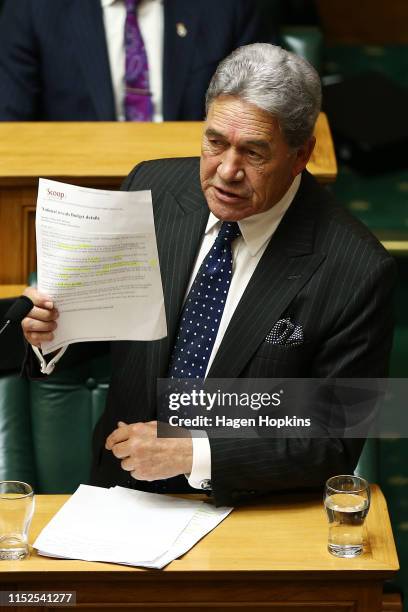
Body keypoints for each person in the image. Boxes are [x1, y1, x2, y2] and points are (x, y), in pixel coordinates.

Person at [22, 44, 396, 507]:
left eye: (254, 153)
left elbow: (331, 441)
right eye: (215, 142)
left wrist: (194, 452)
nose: (227, 171)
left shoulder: (356, 270)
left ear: (301, 156)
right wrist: (54, 334)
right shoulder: (153, 189)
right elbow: (104, 327)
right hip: (120, 499)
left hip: (249, 510)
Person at [0, 0, 261, 121]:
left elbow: (261, 112)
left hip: (194, 189)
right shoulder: (32, 9)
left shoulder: (228, 7)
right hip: (76, 189)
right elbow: (10, 128)